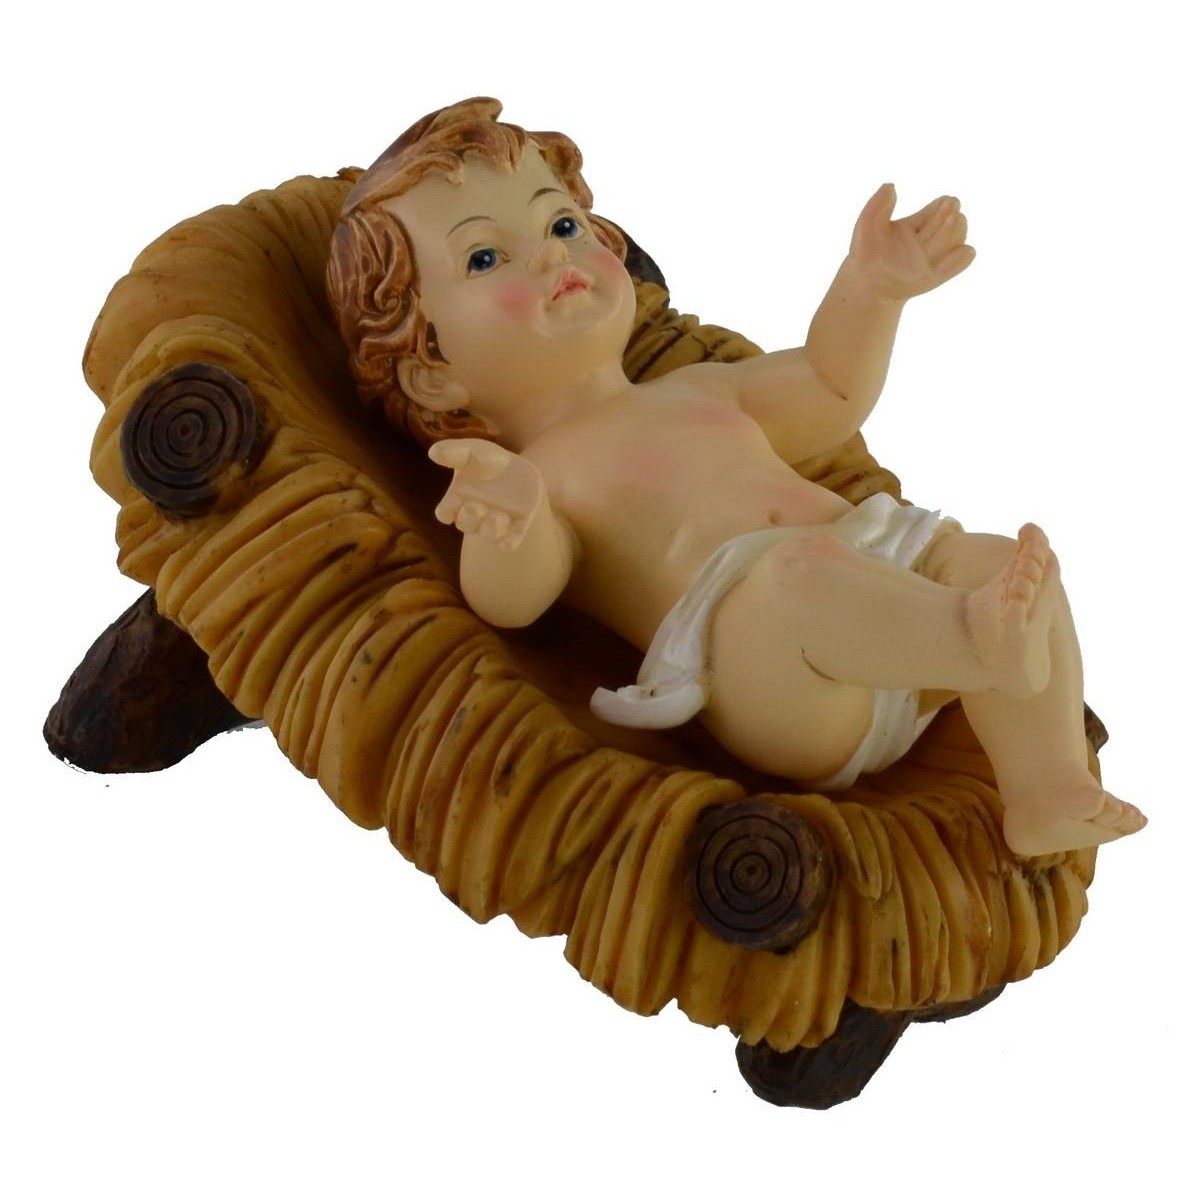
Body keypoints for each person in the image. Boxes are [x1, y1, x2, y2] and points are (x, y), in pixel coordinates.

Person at [327, 97, 1145, 857]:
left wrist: (870, 292)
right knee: (796, 574)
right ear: (433, 372)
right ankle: (980, 640)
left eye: (564, 223)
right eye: (484, 257)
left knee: (992, 555)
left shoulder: (700, 389)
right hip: (776, 675)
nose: (551, 253)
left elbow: (829, 387)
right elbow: (514, 600)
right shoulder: (540, 475)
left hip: (891, 603)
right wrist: (505, 523)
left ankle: (1046, 788)